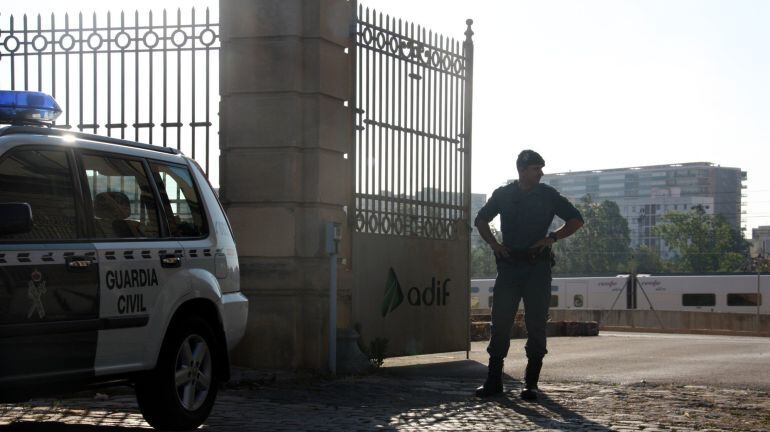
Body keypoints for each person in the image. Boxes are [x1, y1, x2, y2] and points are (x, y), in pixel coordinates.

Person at [474, 149, 584, 401]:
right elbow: (480, 220)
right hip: (509, 266)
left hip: (538, 268)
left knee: (535, 324)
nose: (541, 173)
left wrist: (552, 237)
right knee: (500, 322)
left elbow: (576, 220)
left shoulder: (548, 195)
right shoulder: (503, 194)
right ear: (522, 170)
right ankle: (493, 381)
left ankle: (531, 383)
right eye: (536, 169)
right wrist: (494, 244)